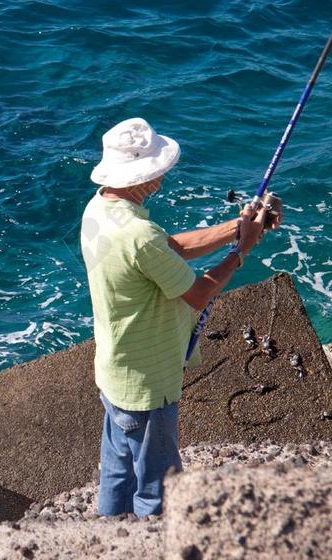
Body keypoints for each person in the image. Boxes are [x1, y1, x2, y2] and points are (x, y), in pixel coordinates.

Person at [80, 117, 280, 517]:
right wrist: (241, 252)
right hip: (148, 384)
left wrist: (237, 229)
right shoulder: (138, 235)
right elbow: (198, 294)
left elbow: (167, 248)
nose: (160, 177)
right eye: (155, 171)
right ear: (142, 175)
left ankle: (104, 538)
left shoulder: (101, 208)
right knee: (159, 488)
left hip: (117, 370)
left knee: (118, 473)